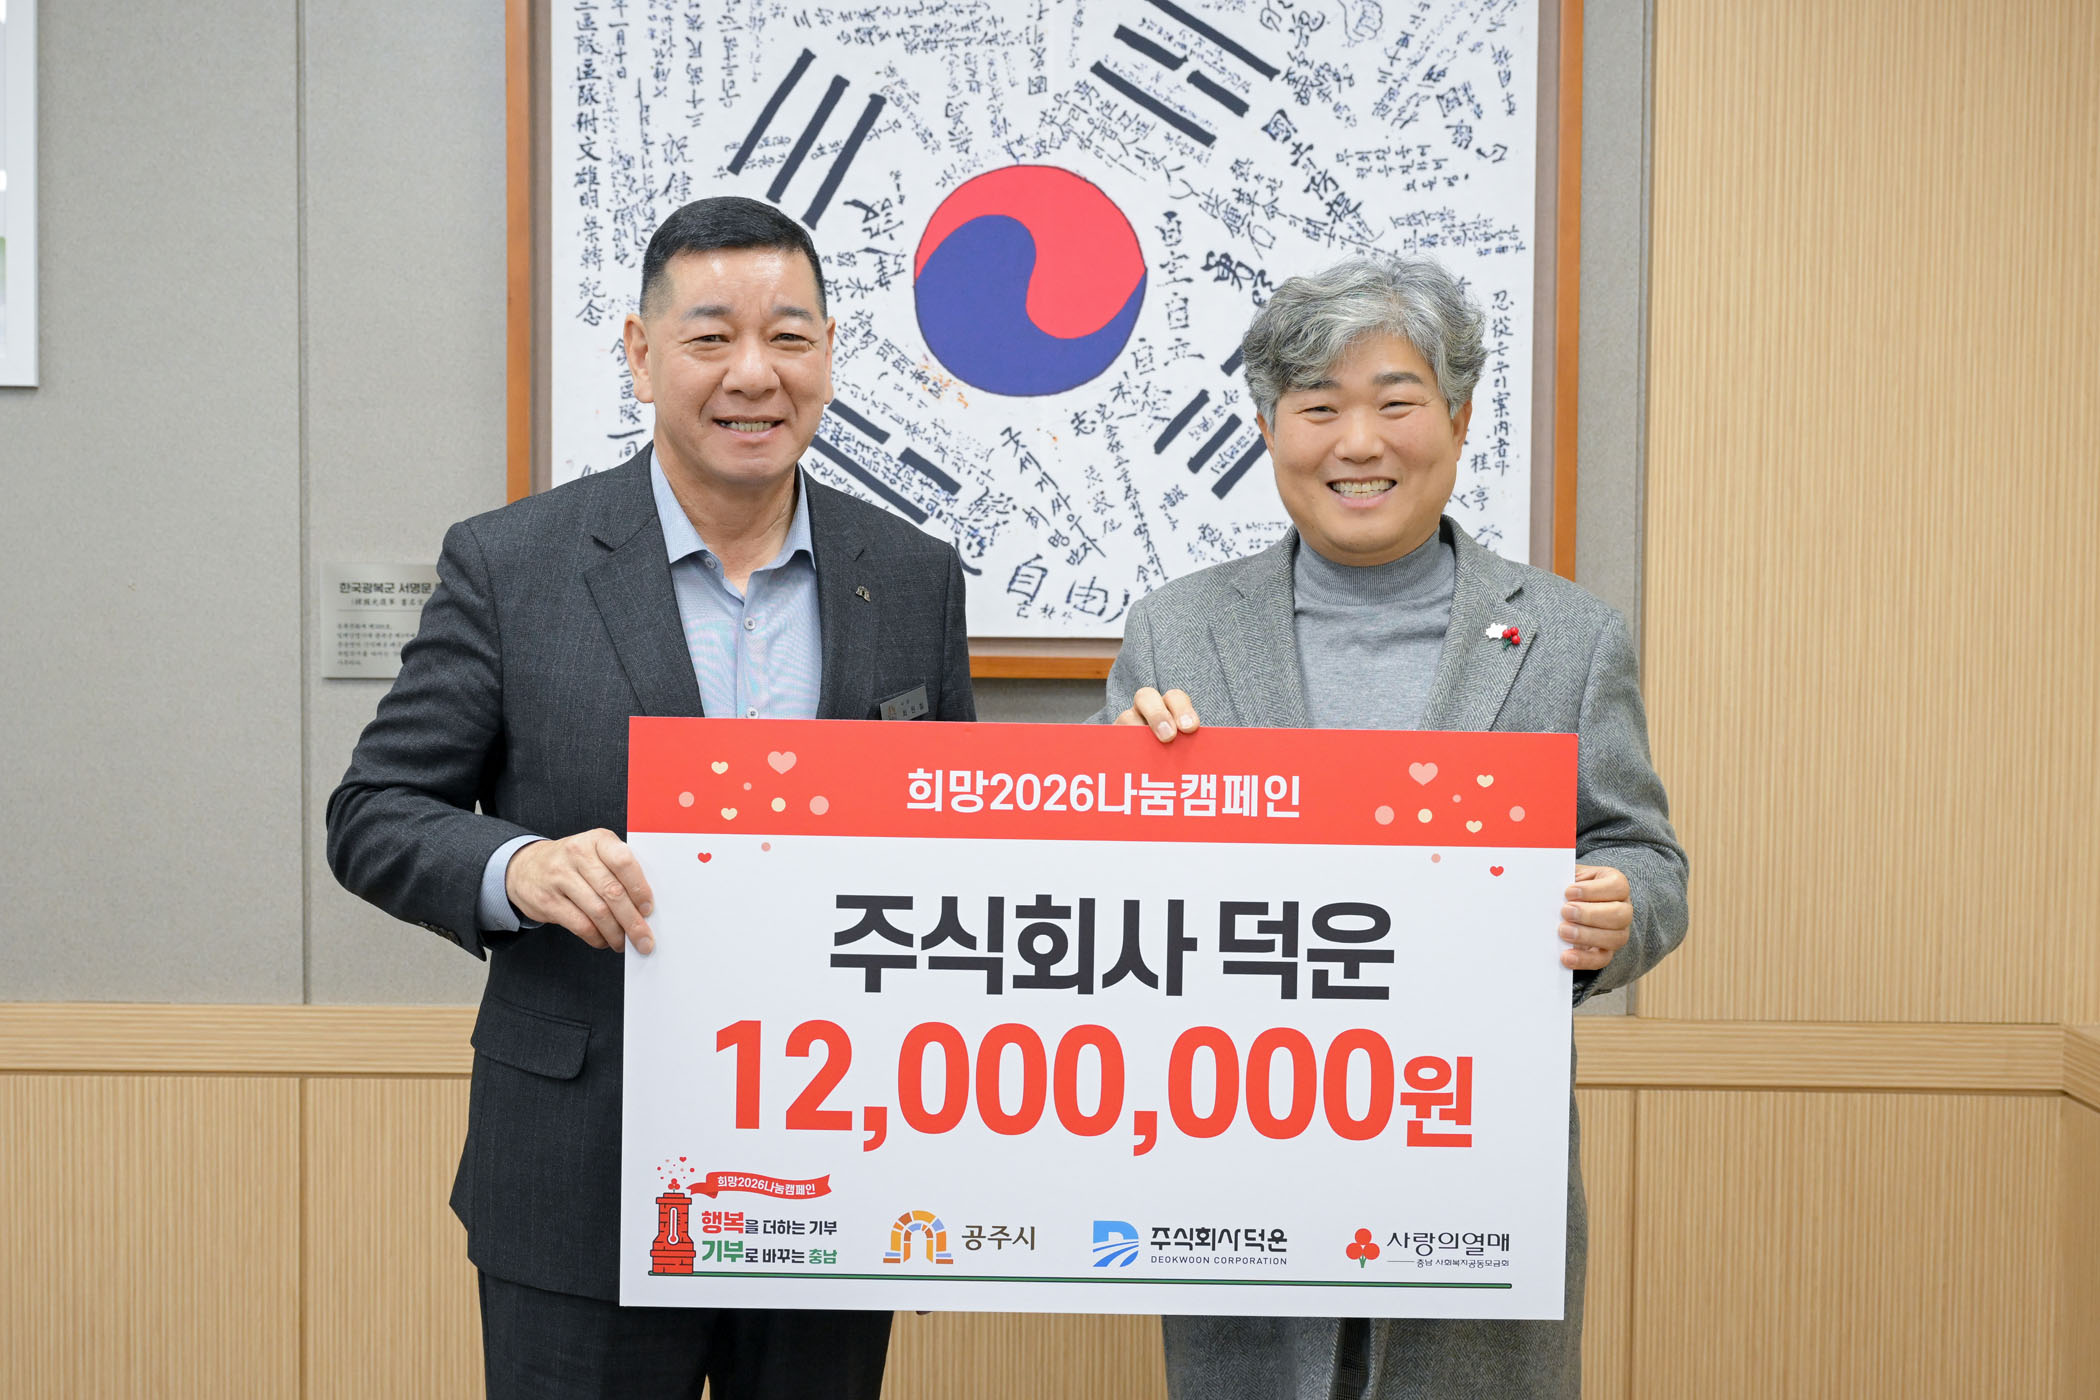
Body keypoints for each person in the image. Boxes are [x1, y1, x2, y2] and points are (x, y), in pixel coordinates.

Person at [327, 196, 974, 1400]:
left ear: (829, 353)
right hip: (581, 1168)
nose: (754, 374)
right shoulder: (513, 563)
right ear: (639, 353)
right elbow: (372, 811)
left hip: (832, 1172)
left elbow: (955, 844)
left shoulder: (912, 576)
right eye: (710, 336)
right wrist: (515, 867)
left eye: (789, 336)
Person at [1099, 257, 1688, 1398]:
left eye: (1396, 401)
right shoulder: (1177, 631)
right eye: (1319, 406)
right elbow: (1088, 878)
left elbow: (1641, 851)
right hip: (1238, 1173)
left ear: (1459, 420)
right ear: (1269, 429)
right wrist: (1111, 783)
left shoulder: (1567, 635)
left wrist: (1620, 909)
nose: (1358, 442)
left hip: (1474, 1165)